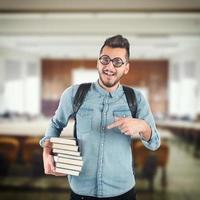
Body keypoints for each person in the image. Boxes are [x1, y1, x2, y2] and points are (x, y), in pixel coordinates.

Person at [40, 35, 160, 200]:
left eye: (117, 62)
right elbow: (56, 124)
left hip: (122, 192)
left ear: (126, 68)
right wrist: (47, 150)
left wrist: (142, 126)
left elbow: (154, 143)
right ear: (98, 62)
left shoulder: (136, 98)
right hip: (81, 191)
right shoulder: (74, 94)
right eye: (105, 59)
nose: (109, 66)